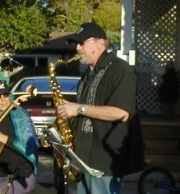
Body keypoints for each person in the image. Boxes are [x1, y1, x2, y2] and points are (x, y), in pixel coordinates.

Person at [56, 22, 144, 194]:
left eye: (82, 43)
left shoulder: (120, 69)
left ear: (101, 43)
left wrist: (78, 109)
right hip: (83, 160)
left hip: (104, 163)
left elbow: (120, 112)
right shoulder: (86, 75)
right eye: (76, 44)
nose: (77, 48)